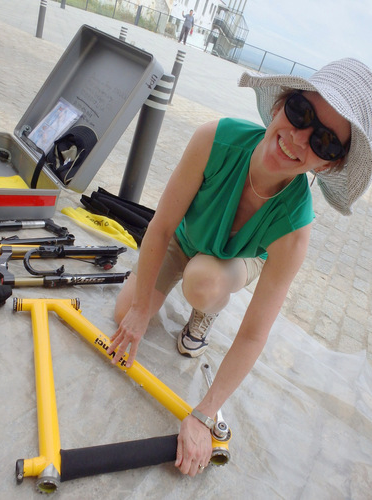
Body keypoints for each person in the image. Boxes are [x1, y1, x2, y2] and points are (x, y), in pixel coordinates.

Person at [107, 58, 372, 477]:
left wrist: (204, 414)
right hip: (183, 238)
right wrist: (141, 311)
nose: (298, 138)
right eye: (301, 112)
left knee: (204, 281)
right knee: (123, 314)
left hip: (236, 262)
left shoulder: (295, 230)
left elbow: (253, 333)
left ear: (326, 165)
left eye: (324, 142)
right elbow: (159, 229)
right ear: (279, 105)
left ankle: (204, 314)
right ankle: (173, 293)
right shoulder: (214, 139)